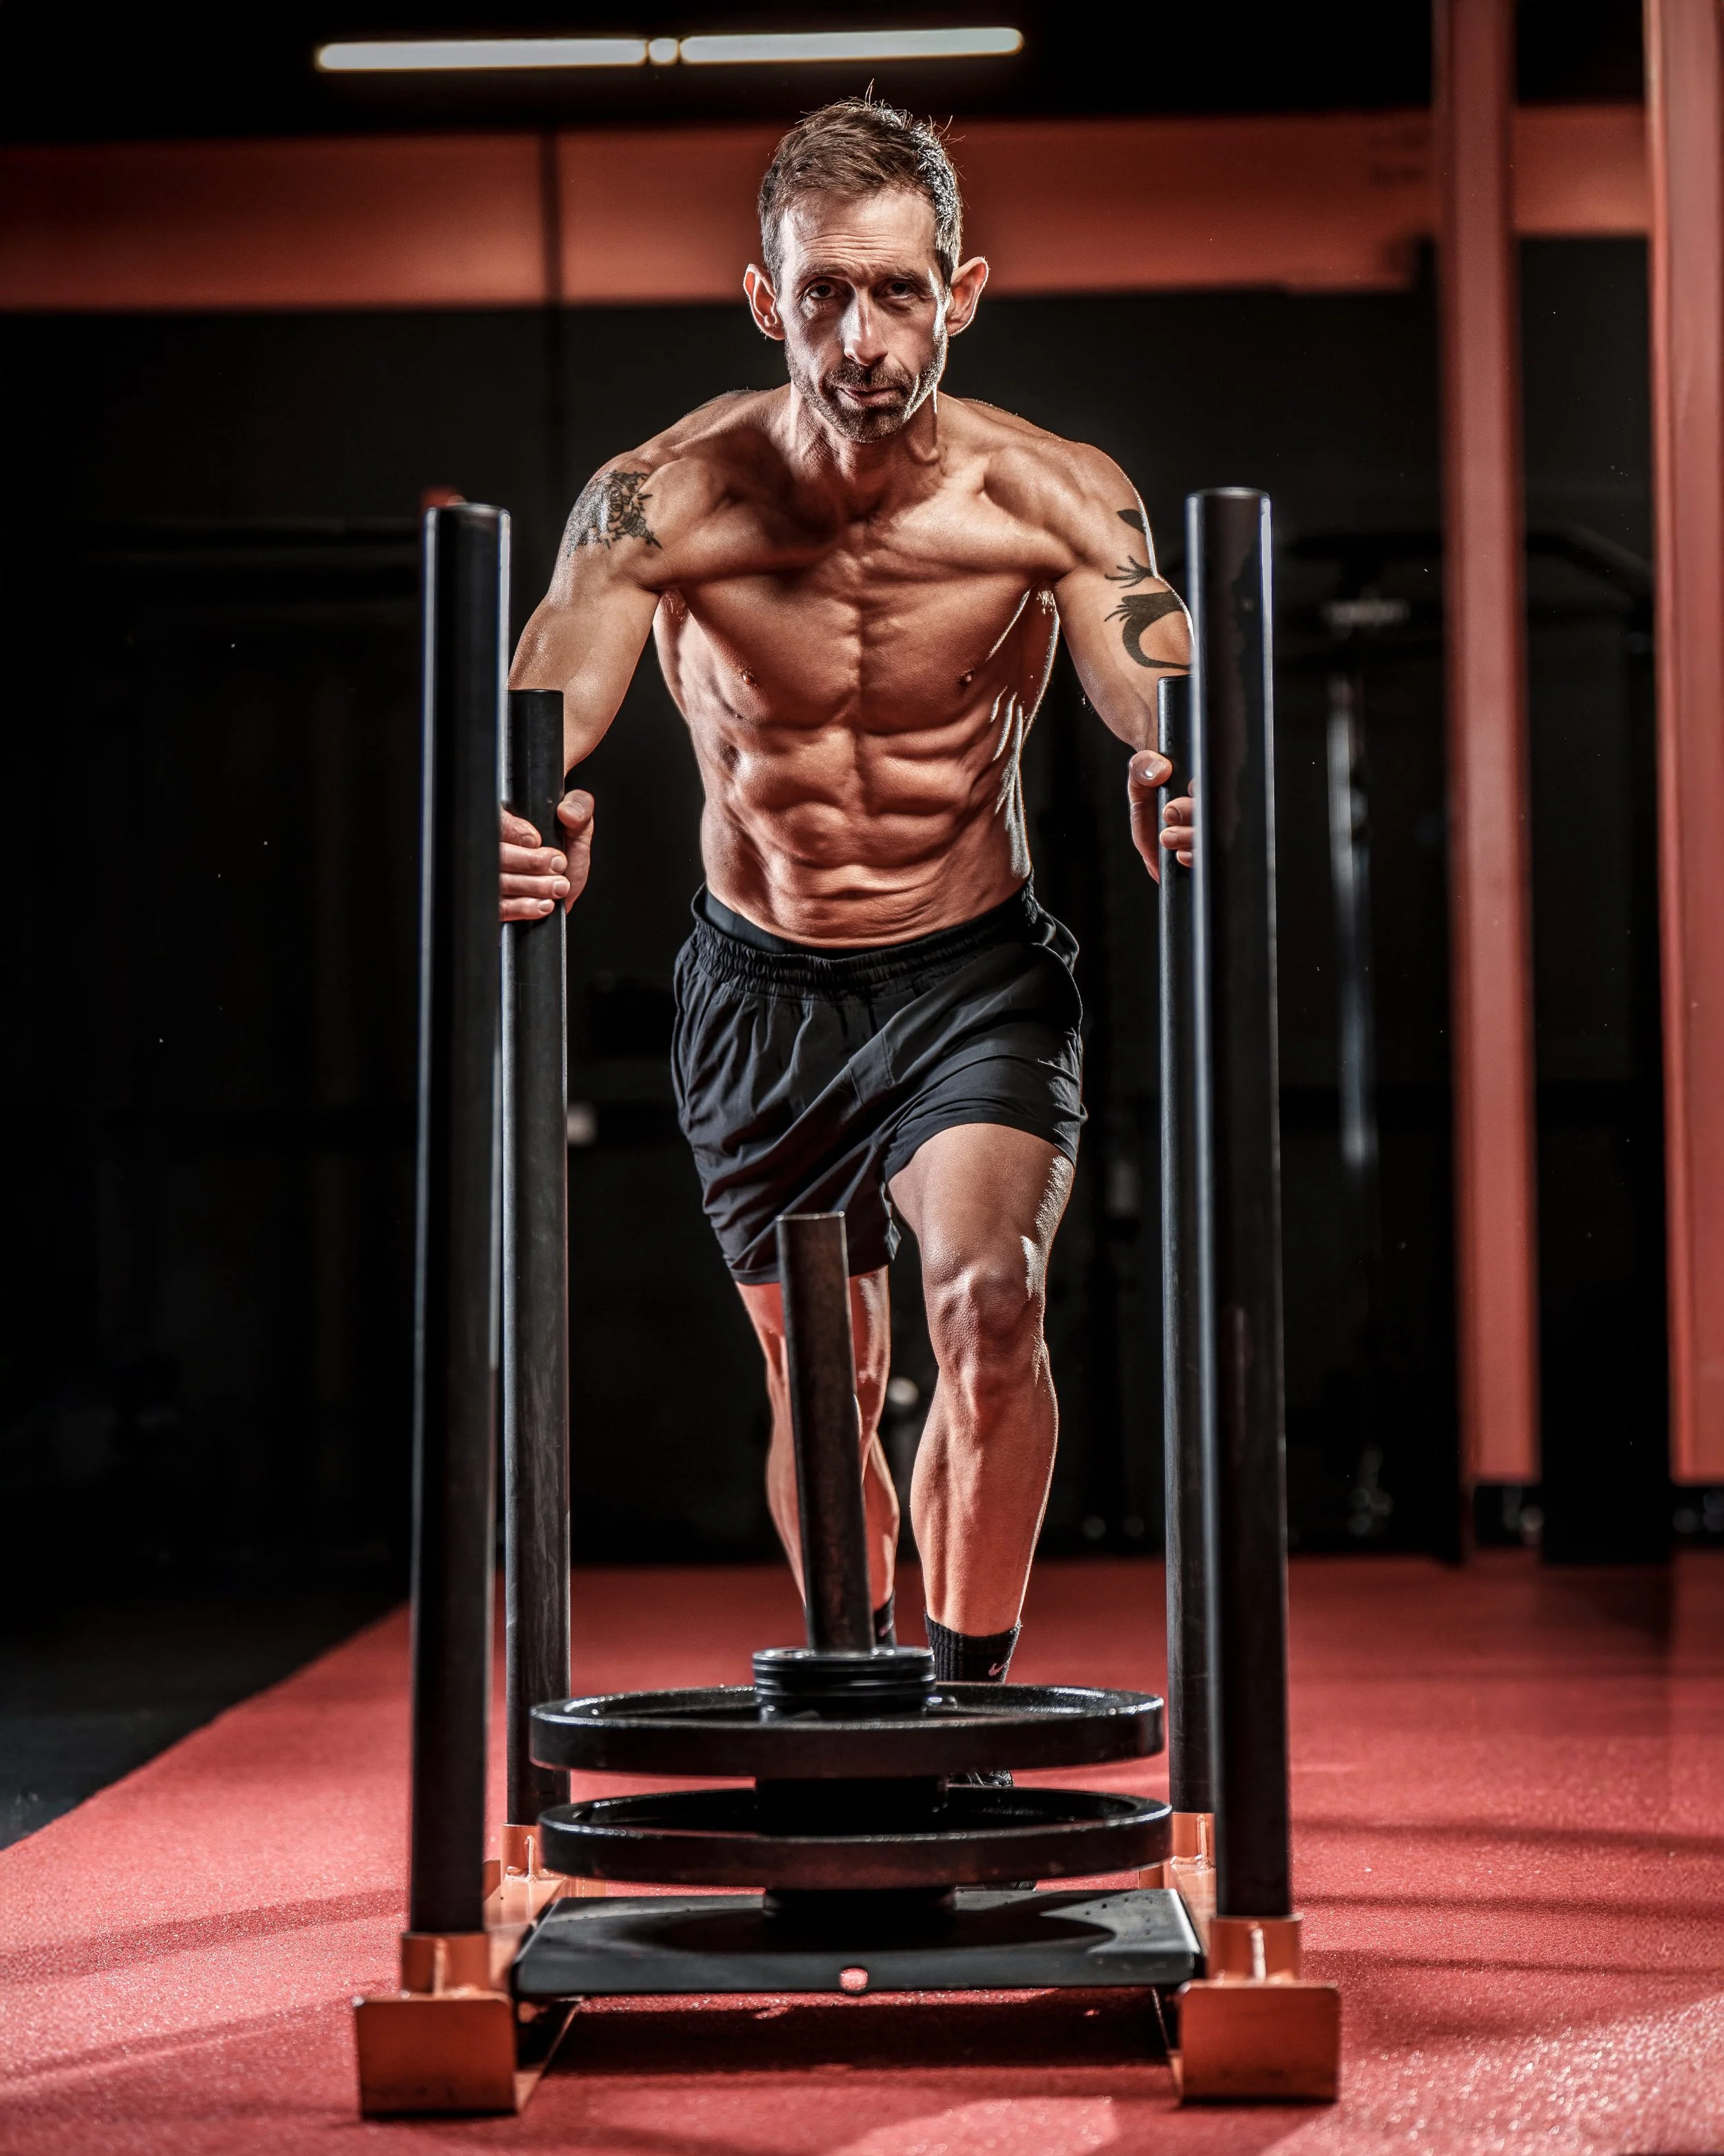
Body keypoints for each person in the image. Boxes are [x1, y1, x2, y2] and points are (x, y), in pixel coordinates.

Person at [501, 98, 1194, 1698]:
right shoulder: (658, 499)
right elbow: (537, 717)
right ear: (767, 296)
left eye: (897, 293)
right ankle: (856, 1687)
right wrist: (516, 814)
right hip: (760, 989)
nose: (861, 336)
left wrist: (1186, 770)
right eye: (823, 293)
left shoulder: (1054, 497)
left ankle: (959, 1707)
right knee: (827, 1380)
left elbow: (1157, 684)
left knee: (987, 1299)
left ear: (960, 292)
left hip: (970, 973)